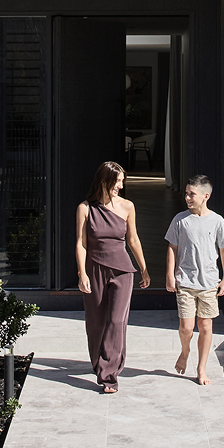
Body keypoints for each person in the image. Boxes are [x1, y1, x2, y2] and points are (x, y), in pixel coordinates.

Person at [76, 160, 150, 394]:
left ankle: (109, 375)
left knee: (117, 322)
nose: (121, 185)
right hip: (95, 268)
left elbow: (133, 240)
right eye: (117, 181)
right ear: (104, 180)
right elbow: (81, 243)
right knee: (96, 323)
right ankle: (100, 364)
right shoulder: (85, 208)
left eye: (122, 181)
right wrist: (82, 273)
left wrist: (144, 268)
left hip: (122, 271)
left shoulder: (127, 206)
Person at [163, 174, 224, 386]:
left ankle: (201, 368)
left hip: (209, 284)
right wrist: (169, 275)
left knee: (205, 326)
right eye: (186, 193)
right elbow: (172, 248)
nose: (187, 197)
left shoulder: (217, 221)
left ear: (205, 196)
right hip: (185, 282)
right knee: (186, 327)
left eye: (191, 194)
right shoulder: (180, 220)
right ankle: (185, 351)